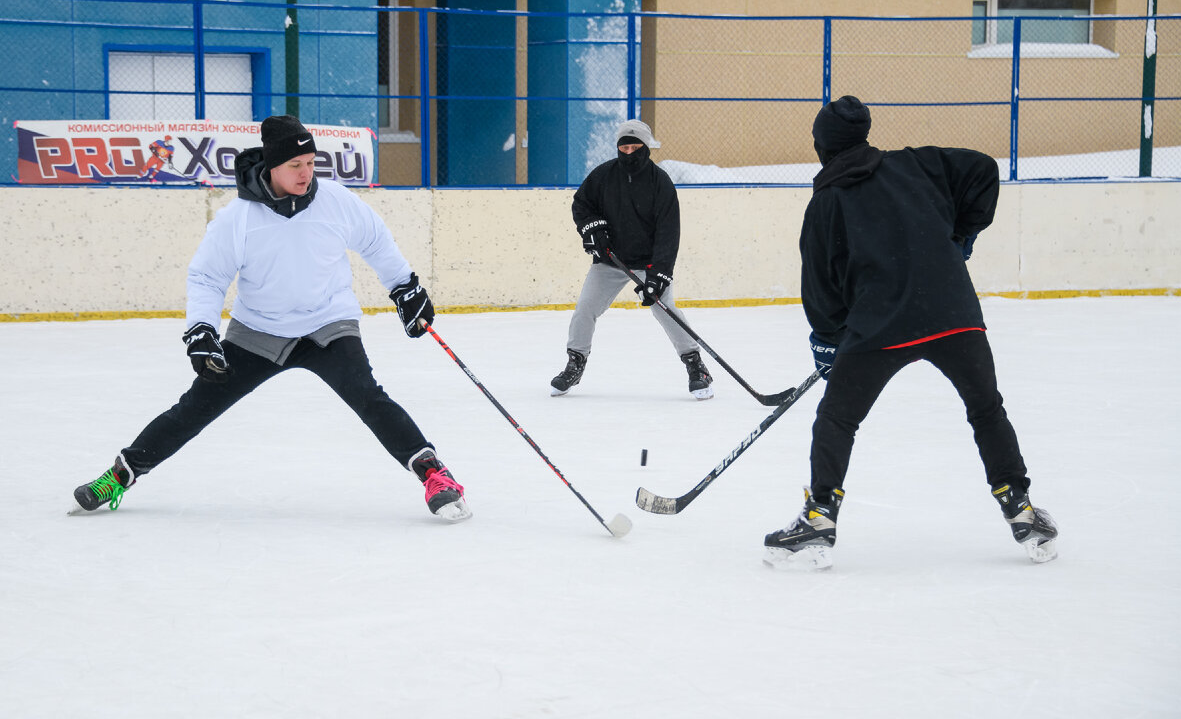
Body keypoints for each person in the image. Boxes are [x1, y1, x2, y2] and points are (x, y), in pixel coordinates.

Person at [71, 115, 470, 522]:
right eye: (295, 165)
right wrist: (202, 330)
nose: (306, 173)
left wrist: (404, 286)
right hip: (258, 331)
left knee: (369, 396)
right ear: (272, 166)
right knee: (196, 407)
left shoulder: (336, 201)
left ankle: (436, 476)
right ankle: (120, 475)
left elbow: (375, 241)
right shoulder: (237, 218)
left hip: (327, 324)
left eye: (311, 163)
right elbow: (208, 276)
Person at [763, 96, 1056, 570]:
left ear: (823, 146)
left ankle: (819, 517)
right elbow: (982, 169)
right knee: (986, 409)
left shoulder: (827, 202)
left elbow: (819, 286)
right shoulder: (917, 164)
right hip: (953, 313)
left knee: (837, 419)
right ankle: (1020, 507)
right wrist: (961, 235)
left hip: (881, 325)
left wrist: (827, 342)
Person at [550, 119, 714, 400]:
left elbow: (668, 232)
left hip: (649, 262)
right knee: (585, 309)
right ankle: (575, 362)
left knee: (666, 309)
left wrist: (659, 274)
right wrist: (593, 229)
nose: (628, 151)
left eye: (634, 145)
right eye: (623, 146)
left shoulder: (660, 182)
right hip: (611, 261)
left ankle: (695, 365)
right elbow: (582, 204)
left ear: (645, 146)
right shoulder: (603, 175)